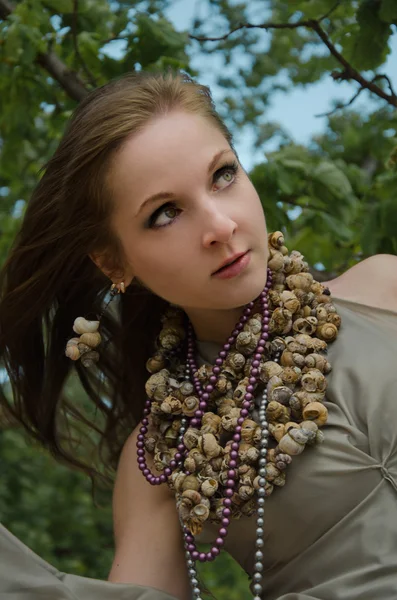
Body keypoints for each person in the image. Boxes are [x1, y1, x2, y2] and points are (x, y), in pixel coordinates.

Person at [0, 70, 396, 600]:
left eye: (223, 175)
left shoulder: (383, 284)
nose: (220, 226)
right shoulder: (157, 460)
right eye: (166, 213)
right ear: (114, 261)